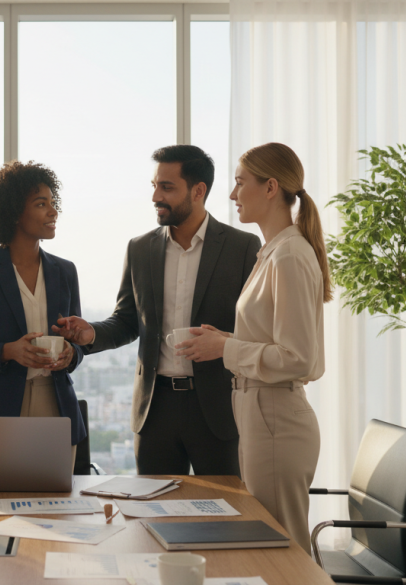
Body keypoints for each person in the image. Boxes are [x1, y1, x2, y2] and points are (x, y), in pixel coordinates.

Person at [53, 145, 260, 475]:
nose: (155, 197)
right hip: (155, 410)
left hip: (218, 409)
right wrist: (90, 333)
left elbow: (256, 330)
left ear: (198, 191)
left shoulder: (243, 247)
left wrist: (223, 343)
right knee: (154, 515)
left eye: (167, 187)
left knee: (224, 517)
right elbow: (127, 321)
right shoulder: (140, 248)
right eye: (154, 186)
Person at [175, 142, 330, 555]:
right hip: (262, 414)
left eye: (240, 182)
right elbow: (271, 342)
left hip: (275, 416)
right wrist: (224, 341)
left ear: (270, 187)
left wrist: (225, 351)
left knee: (284, 550)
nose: (231, 194)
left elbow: (298, 358)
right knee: (272, 545)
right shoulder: (274, 252)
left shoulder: (289, 257)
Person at [0, 161, 87, 462]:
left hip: (56, 404)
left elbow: (77, 342)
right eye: (41, 204)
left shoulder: (65, 271)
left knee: (56, 504)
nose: (53, 212)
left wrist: (70, 353)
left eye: (53, 203)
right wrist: (8, 351)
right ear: (13, 212)